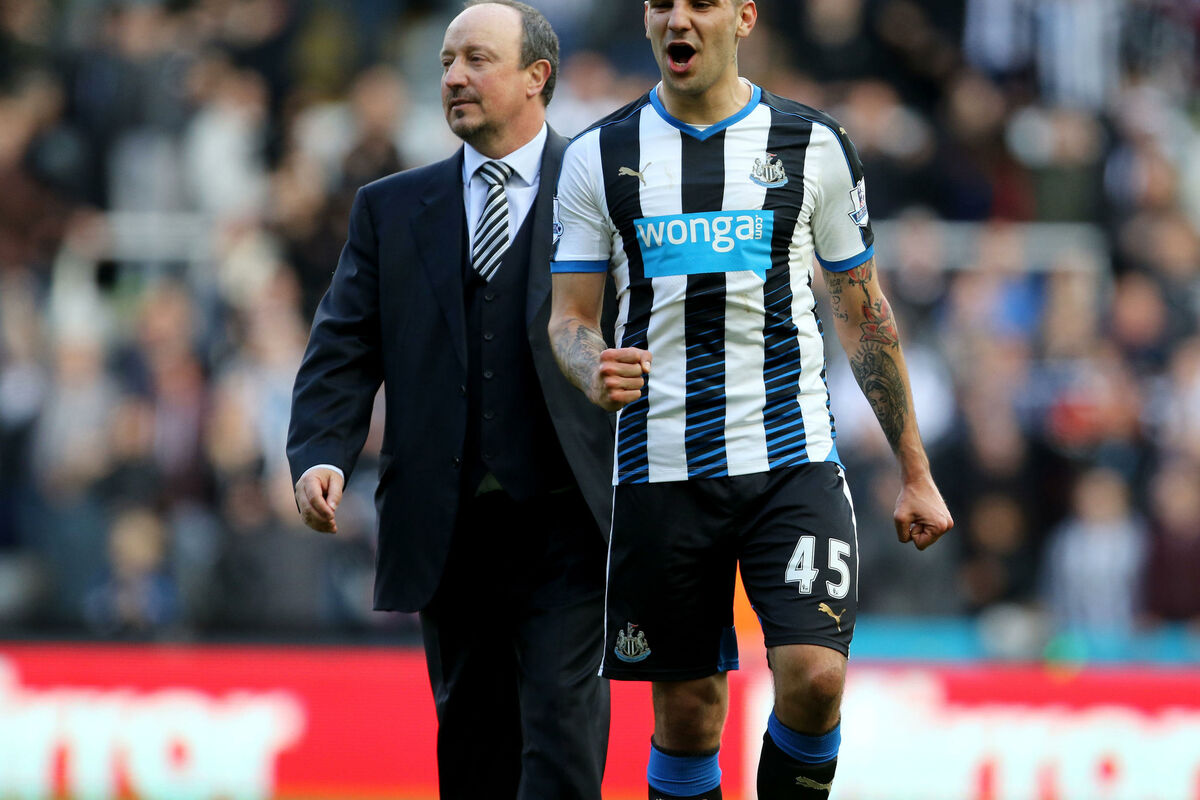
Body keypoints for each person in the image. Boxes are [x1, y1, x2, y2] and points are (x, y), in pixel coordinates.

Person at [547, 1, 954, 798]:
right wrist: (591, 365)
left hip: (790, 458)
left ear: (743, 18)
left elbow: (863, 312)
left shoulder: (813, 144)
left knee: (815, 677)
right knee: (690, 714)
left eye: (700, 3)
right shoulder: (599, 153)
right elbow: (569, 320)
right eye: (662, 4)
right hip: (662, 467)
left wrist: (915, 468)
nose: (678, 19)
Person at [286, 3, 613, 798]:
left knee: (564, 743)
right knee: (472, 751)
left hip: (571, 520)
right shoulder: (390, 207)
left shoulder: (605, 194)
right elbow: (343, 344)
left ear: (537, 77)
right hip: (448, 526)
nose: (454, 78)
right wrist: (323, 452)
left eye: (476, 60)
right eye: (445, 62)